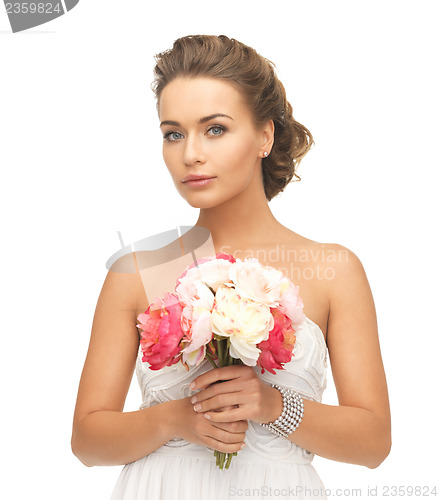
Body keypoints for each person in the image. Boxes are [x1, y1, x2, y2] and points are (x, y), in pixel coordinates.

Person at [70, 34, 391, 499]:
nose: (190, 154)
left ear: (265, 135)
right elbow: (86, 443)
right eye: (173, 133)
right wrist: (174, 418)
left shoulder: (334, 269)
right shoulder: (134, 272)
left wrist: (273, 405)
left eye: (215, 129)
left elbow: (374, 444)